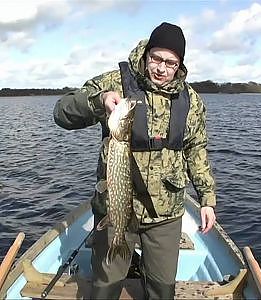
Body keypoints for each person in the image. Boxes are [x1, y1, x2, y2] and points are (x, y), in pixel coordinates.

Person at [53, 22, 217, 300]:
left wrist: (207, 198)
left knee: (162, 290)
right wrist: (99, 100)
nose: (162, 69)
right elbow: (62, 112)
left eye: (171, 63)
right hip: (114, 212)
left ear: (180, 65)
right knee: (104, 287)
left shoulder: (191, 100)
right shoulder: (114, 82)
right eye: (156, 58)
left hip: (166, 213)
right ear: (146, 53)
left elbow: (196, 150)